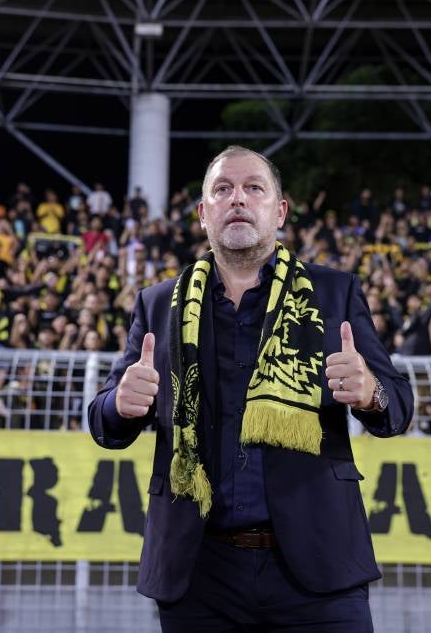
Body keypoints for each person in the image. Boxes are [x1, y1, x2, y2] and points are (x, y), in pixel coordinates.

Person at [88, 145, 412, 632]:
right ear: (203, 214)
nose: (237, 198)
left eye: (253, 188)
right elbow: (103, 421)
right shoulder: (157, 305)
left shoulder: (333, 292)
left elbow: (398, 406)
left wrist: (371, 393)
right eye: (222, 189)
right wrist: (120, 404)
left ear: (278, 211)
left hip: (318, 566)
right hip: (199, 572)